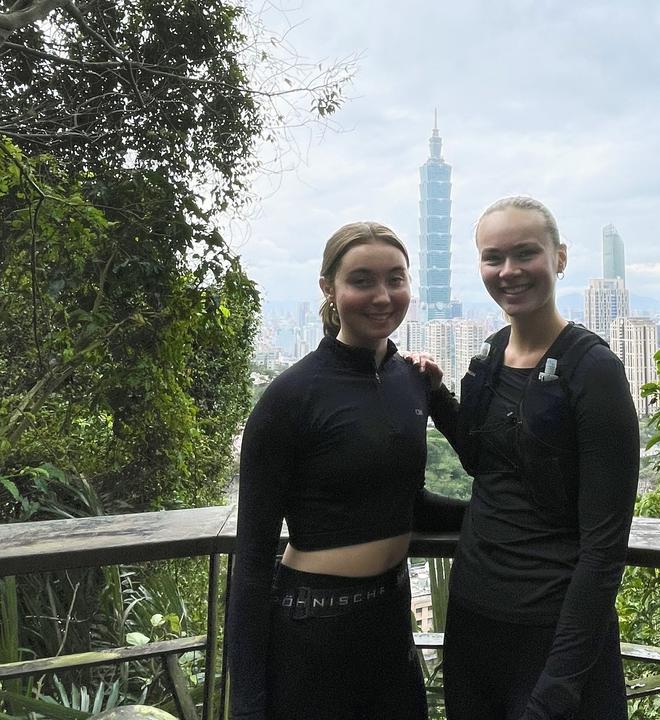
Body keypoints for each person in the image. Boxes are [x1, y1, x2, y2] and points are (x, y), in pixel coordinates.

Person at [226, 221, 467, 720]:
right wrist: (248, 705)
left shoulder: (411, 381)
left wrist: (503, 519)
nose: (382, 296)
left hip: (390, 624)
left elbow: (410, 503)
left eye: (395, 279)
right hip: (315, 626)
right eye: (362, 280)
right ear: (329, 289)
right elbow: (251, 560)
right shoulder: (291, 397)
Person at [419, 196, 639, 720]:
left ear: (559, 258)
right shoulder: (489, 355)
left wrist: (561, 685)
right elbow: (483, 461)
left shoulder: (594, 370)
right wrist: (436, 396)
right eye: (493, 258)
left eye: (526, 253)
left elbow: (604, 548)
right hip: (474, 618)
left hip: (555, 629)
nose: (509, 271)